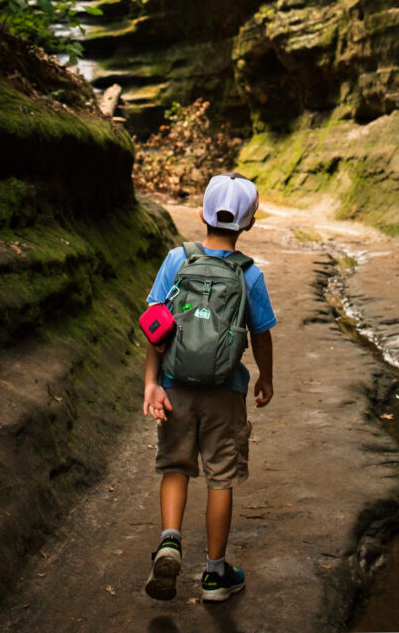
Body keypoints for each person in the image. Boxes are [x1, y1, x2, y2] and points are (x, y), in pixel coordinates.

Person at [143, 172, 276, 603]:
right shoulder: (249, 274)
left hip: (174, 387)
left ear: (202, 213)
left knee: (176, 467)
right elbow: (261, 334)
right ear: (249, 224)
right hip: (225, 393)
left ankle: (169, 542)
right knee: (221, 478)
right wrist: (265, 376)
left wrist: (152, 383)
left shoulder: (176, 259)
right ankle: (216, 575)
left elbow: (155, 327)